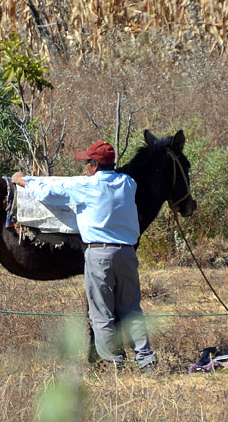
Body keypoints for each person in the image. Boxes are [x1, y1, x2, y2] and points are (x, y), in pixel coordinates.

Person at [12, 140, 157, 372]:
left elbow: (47, 192)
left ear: (94, 165)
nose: (85, 168)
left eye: (87, 163)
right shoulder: (128, 184)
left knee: (101, 311)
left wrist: (24, 180)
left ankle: (113, 363)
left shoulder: (85, 186)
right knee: (131, 309)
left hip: (99, 253)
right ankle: (146, 359)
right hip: (127, 253)